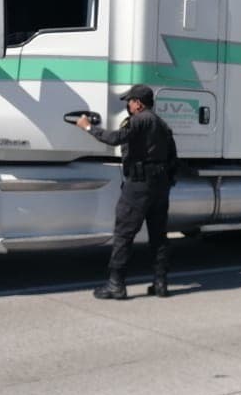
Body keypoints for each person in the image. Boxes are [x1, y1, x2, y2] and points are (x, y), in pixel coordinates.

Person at [76, 84, 178, 300]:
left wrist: (87, 127)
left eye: (129, 101)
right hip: (160, 186)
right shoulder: (162, 124)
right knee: (159, 236)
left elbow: (115, 138)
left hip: (139, 185)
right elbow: (173, 158)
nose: (127, 105)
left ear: (138, 103)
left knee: (124, 233)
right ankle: (161, 283)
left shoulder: (140, 121)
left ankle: (116, 285)